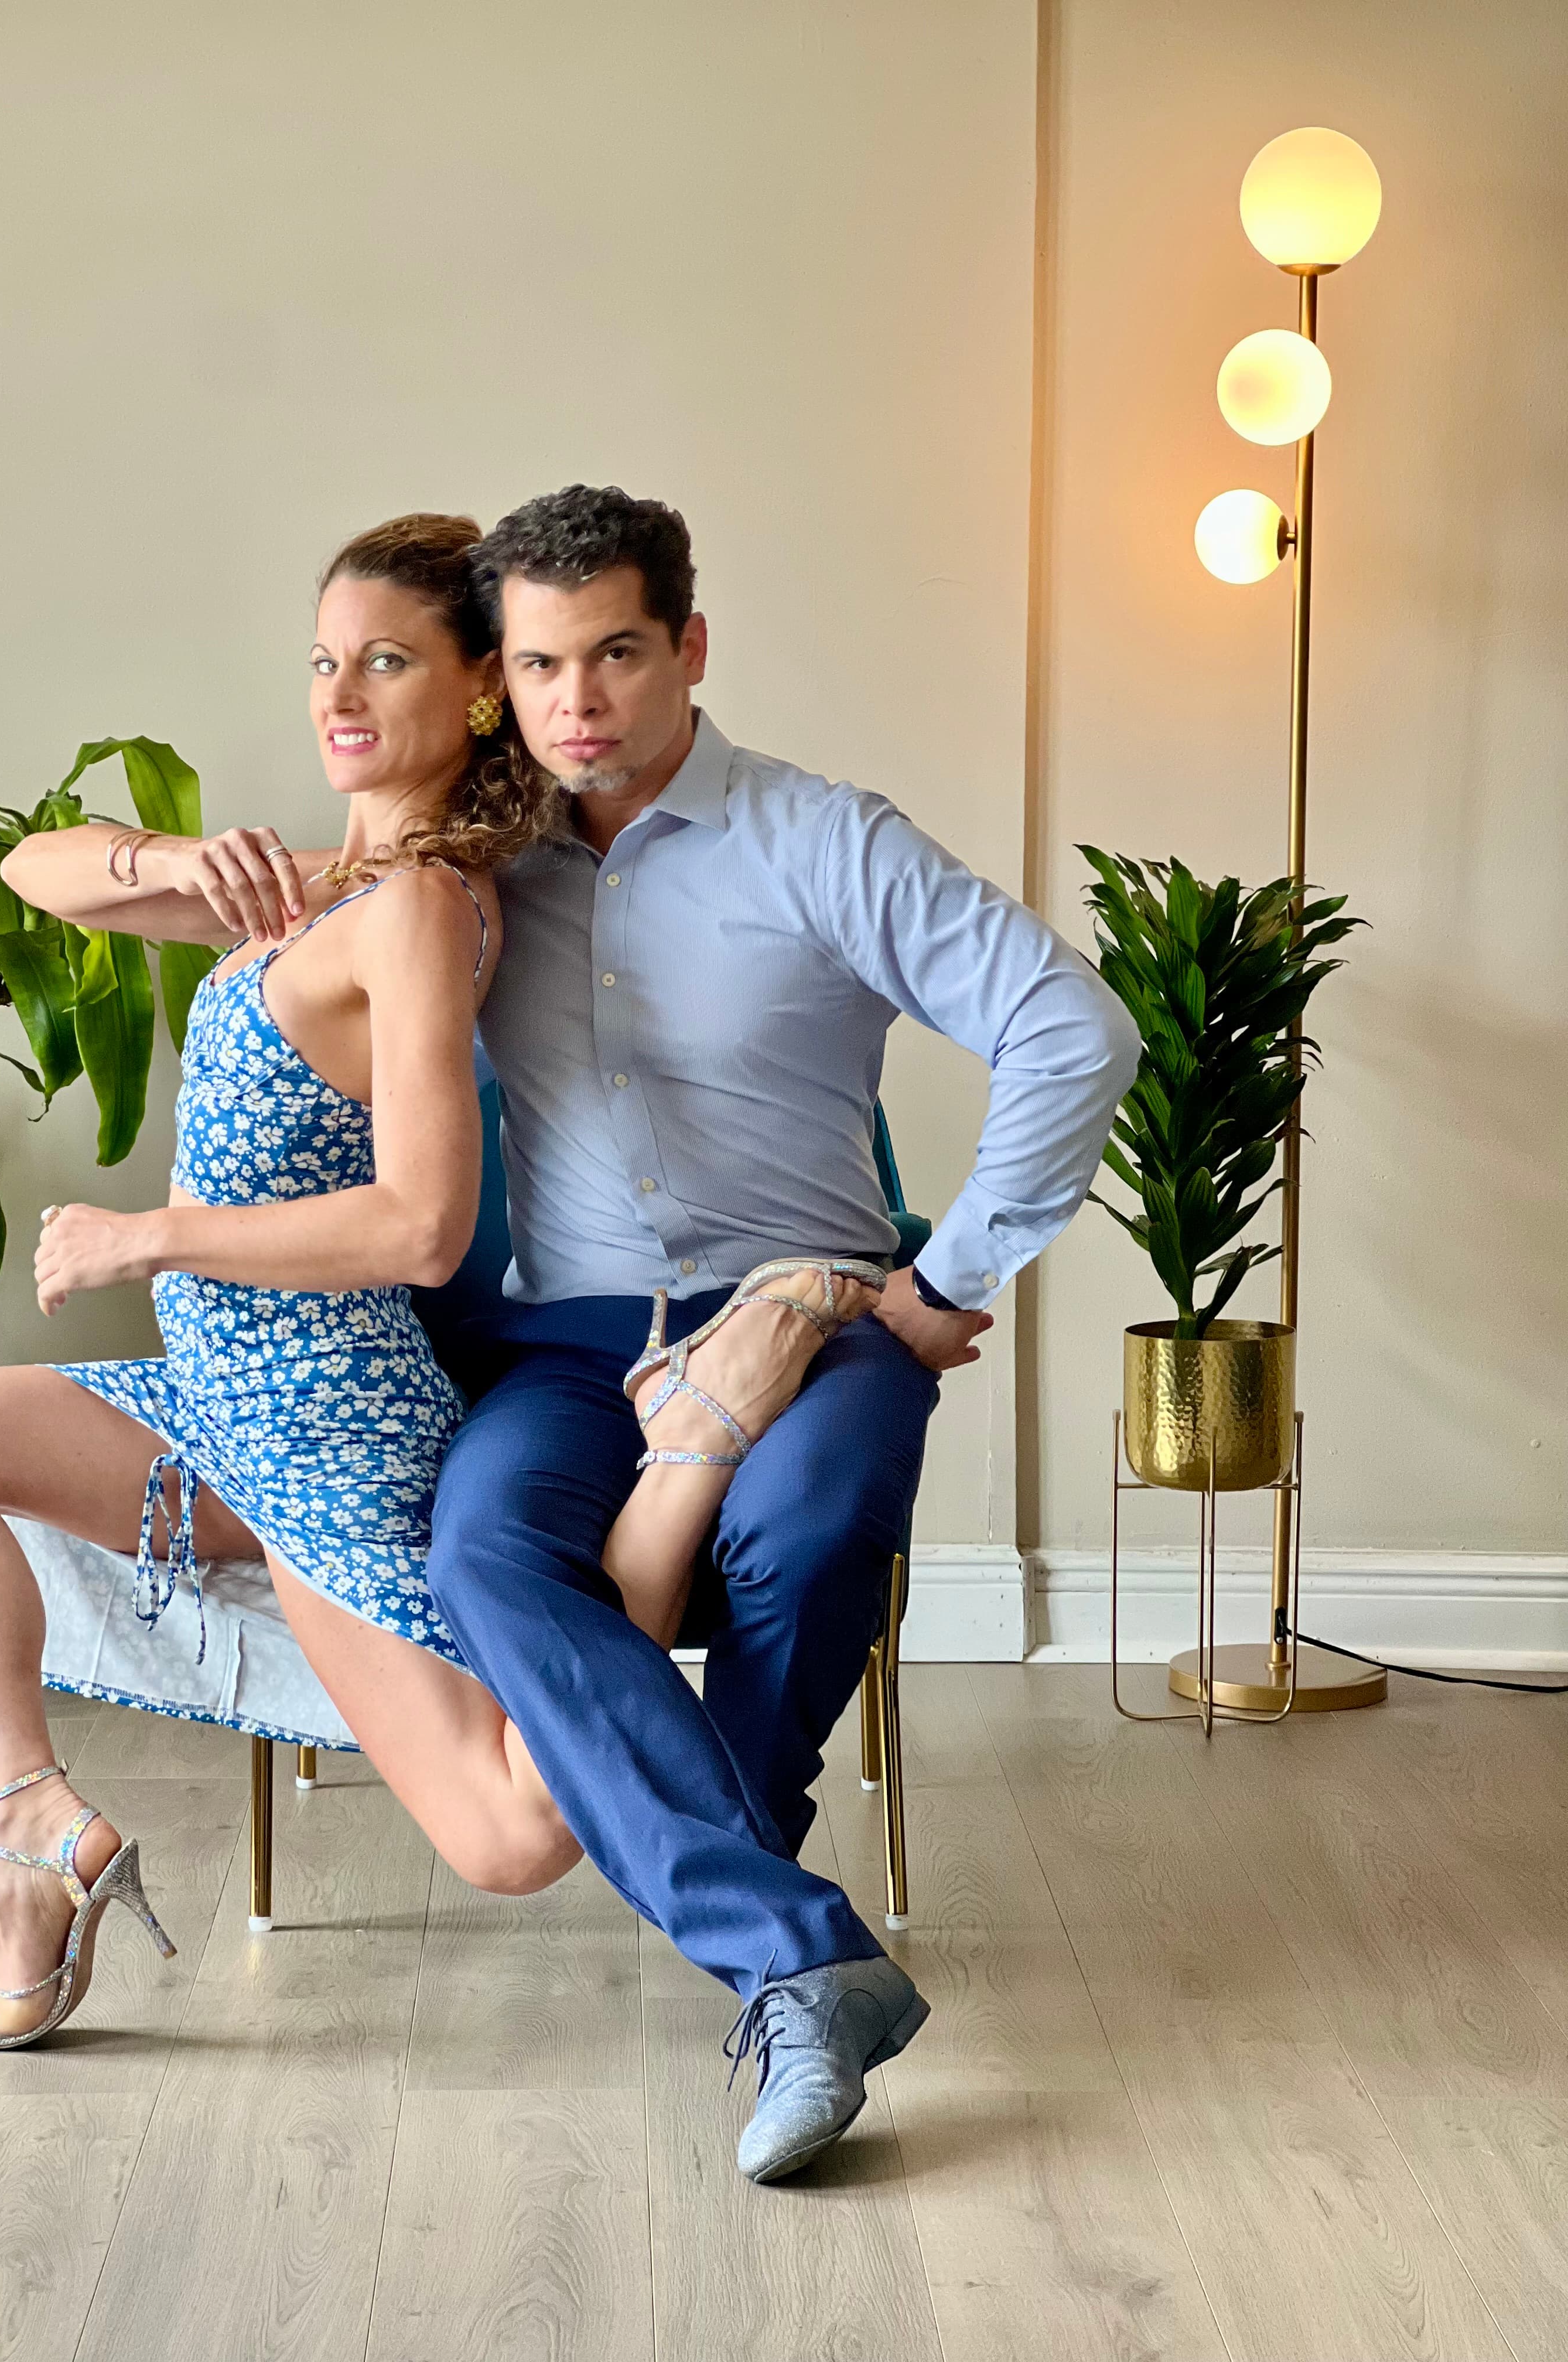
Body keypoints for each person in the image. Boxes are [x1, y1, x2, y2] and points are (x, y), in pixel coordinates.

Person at [145, 485, 1142, 2183]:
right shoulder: (462, 873)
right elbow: (76, 882)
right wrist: (175, 859)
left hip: (809, 1318)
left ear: (689, 646)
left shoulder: (825, 840)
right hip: (565, 1347)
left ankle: (769, 1958)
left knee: (806, 1533)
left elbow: (1075, 1028)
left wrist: (937, 1287)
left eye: (615, 651)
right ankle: (793, 1959)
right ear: (497, 687)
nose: (580, 700)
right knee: (490, 1554)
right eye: (539, 665)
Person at [0, 510, 881, 2060]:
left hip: (324, 1429)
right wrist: (169, 858)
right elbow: (32, 875)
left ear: (471, 692)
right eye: (323, 660)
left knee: (510, 1836)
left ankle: (692, 1445)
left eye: (384, 660)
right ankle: (27, 1839)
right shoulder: (328, 883)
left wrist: (152, 1238)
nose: (337, 694)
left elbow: (421, 1228)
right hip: (217, 1403)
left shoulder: (418, 912)